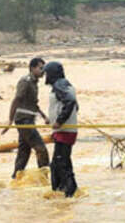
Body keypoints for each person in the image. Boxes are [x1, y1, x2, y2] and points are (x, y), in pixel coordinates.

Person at [2, 57, 49, 178]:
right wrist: (10, 120)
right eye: (40, 68)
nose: (43, 71)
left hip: (28, 119)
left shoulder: (34, 82)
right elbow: (16, 100)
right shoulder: (25, 81)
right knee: (41, 149)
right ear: (32, 68)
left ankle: (16, 179)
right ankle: (44, 178)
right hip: (23, 120)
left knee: (24, 152)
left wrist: (44, 116)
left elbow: (33, 104)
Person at [45, 61, 79, 197]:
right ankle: (63, 192)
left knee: (60, 163)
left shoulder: (59, 85)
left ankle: (68, 193)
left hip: (65, 131)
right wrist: (52, 118)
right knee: (60, 163)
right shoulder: (65, 84)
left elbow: (70, 102)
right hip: (65, 130)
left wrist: (59, 121)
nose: (45, 76)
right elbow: (75, 105)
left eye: (47, 73)